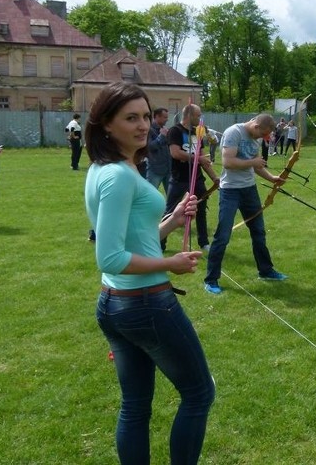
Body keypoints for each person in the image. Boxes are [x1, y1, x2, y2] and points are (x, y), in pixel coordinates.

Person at [84, 81, 215, 465]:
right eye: (131, 118)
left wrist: (171, 222)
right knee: (199, 394)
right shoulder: (118, 176)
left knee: (136, 406)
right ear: (106, 124)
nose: (143, 126)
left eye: (145, 116)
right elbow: (109, 257)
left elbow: (132, 238)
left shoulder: (106, 168)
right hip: (144, 305)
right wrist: (169, 264)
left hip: (115, 304)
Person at [203, 113, 289, 294]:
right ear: (256, 126)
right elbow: (228, 162)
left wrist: (272, 177)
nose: (261, 138)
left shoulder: (255, 138)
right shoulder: (233, 133)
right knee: (223, 235)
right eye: (261, 134)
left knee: (259, 232)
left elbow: (257, 166)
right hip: (230, 191)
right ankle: (211, 279)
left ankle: (266, 271)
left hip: (249, 190)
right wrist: (253, 161)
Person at [163, 104, 218, 252]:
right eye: (198, 115)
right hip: (179, 179)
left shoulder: (196, 133)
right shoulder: (175, 131)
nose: (200, 118)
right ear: (188, 115)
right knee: (170, 211)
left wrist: (215, 179)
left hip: (197, 178)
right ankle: (160, 243)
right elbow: (175, 153)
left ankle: (204, 243)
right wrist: (198, 159)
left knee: (201, 210)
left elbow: (202, 158)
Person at [145, 107, 171, 194]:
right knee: (150, 195)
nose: (167, 120)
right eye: (165, 117)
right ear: (157, 116)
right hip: (155, 169)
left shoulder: (164, 129)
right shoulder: (148, 130)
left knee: (172, 197)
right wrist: (162, 136)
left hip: (168, 169)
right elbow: (150, 147)